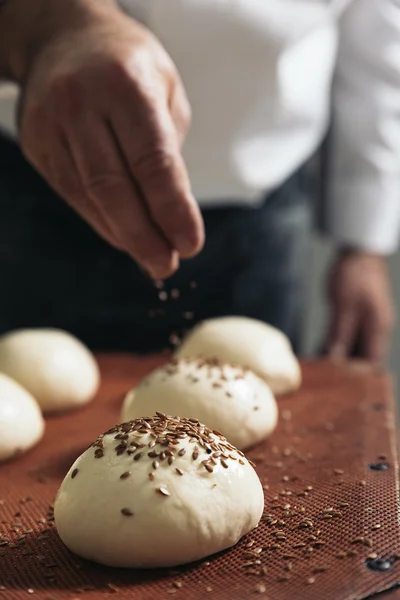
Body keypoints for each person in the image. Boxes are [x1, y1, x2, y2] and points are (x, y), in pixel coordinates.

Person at [0, 0, 398, 360]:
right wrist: (52, 20)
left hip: (260, 206)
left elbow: (377, 40)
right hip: (47, 179)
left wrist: (364, 242)